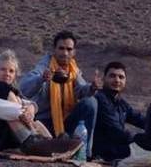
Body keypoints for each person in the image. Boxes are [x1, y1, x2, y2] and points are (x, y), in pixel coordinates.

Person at [20, 31, 102, 159]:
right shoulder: (45, 66)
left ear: (74, 52)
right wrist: (41, 78)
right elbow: (24, 88)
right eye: (61, 48)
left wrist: (92, 88)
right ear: (54, 50)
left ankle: (85, 153)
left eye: (69, 49)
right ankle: (60, 144)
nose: (65, 53)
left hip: (66, 121)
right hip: (45, 122)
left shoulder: (74, 69)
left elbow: (81, 90)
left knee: (91, 102)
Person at [91, 61, 147, 161]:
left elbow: (140, 120)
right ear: (104, 79)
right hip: (105, 152)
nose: (117, 80)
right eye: (112, 76)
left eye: (121, 77)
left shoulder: (121, 103)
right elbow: (115, 130)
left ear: (125, 81)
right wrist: (141, 140)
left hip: (118, 148)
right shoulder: (99, 98)